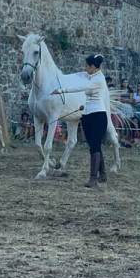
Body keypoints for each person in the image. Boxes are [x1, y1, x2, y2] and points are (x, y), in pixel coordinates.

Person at [50, 55, 113, 186]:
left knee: (95, 146)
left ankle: (93, 178)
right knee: (94, 146)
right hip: (87, 114)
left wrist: (61, 90)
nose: (85, 68)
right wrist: (85, 105)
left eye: (87, 66)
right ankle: (103, 174)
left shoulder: (99, 79)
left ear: (93, 67)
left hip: (98, 115)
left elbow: (81, 88)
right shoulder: (92, 78)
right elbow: (92, 96)